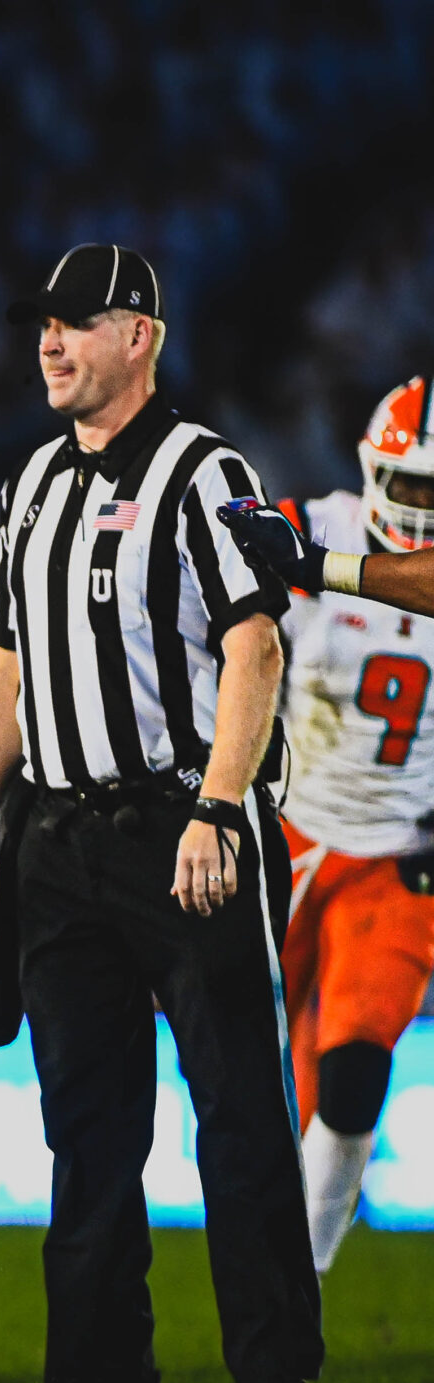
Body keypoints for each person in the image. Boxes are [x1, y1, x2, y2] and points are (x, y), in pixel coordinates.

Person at [0, 243, 323, 1383]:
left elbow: (251, 644)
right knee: (87, 1124)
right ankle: (100, 1377)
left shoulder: (202, 469)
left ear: (139, 337)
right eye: (41, 325)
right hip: (57, 838)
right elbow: (5, 660)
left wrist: (220, 806)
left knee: (237, 1105)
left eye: (76, 321)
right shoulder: (30, 484)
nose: (50, 342)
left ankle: (274, 1373)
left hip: (181, 824)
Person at [220, 380, 434, 1271]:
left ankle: (300, 1273)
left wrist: (312, 565)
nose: (419, 502)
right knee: (251, 1060)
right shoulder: (318, 522)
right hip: (292, 830)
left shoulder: (320, 549)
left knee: (354, 1070)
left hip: (398, 856)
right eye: (408, 482)